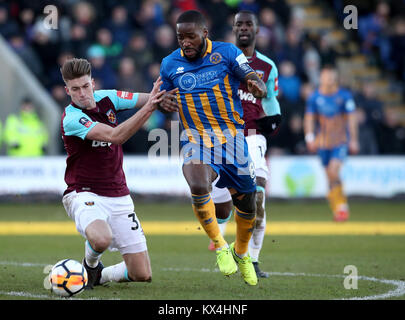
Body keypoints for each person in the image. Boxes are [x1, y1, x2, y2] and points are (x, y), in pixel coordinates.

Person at [159, 10, 268, 286]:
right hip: (195, 139)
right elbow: (163, 97)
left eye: (190, 36)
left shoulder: (228, 52)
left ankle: (241, 253)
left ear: (204, 34)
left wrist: (257, 85)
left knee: (249, 204)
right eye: (180, 37)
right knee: (197, 183)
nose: (185, 42)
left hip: (232, 139)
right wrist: (164, 103)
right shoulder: (169, 64)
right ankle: (220, 246)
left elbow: (251, 75)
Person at [59, 57, 176, 289]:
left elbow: (147, 98)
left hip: (119, 195)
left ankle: (97, 276)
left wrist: (162, 96)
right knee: (101, 238)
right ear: (67, 91)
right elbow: (116, 136)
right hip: (83, 193)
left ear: (92, 82)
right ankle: (90, 264)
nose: (82, 93)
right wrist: (151, 106)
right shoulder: (71, 119)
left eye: (85, 86)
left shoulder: (107, 97)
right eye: (75, 89)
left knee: (142, 274)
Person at [207, 10, 281, 279]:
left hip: (252, 137)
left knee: (258, 198)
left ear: (257, 29)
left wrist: (274, 117)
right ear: (233, 28)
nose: (244, 28)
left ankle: (254, 259)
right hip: (223, 138)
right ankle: (221, 234)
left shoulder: (267, 66)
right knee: (222, 206)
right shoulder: (219, 61)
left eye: (249, 24)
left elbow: (271, 98)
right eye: (239, 24)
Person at [304, 65, 359, 222]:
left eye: (331, 76)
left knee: (334, 170)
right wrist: (309, 137)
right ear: (321, 78)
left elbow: (352, 118)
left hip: (340, 141)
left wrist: (354, 139)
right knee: (329, 177)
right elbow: (309, 119)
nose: (329, 79)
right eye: (326, 76)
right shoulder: (314, 97)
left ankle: (342, 207)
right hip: (322, 143)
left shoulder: (344, 96)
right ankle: (338, 208)